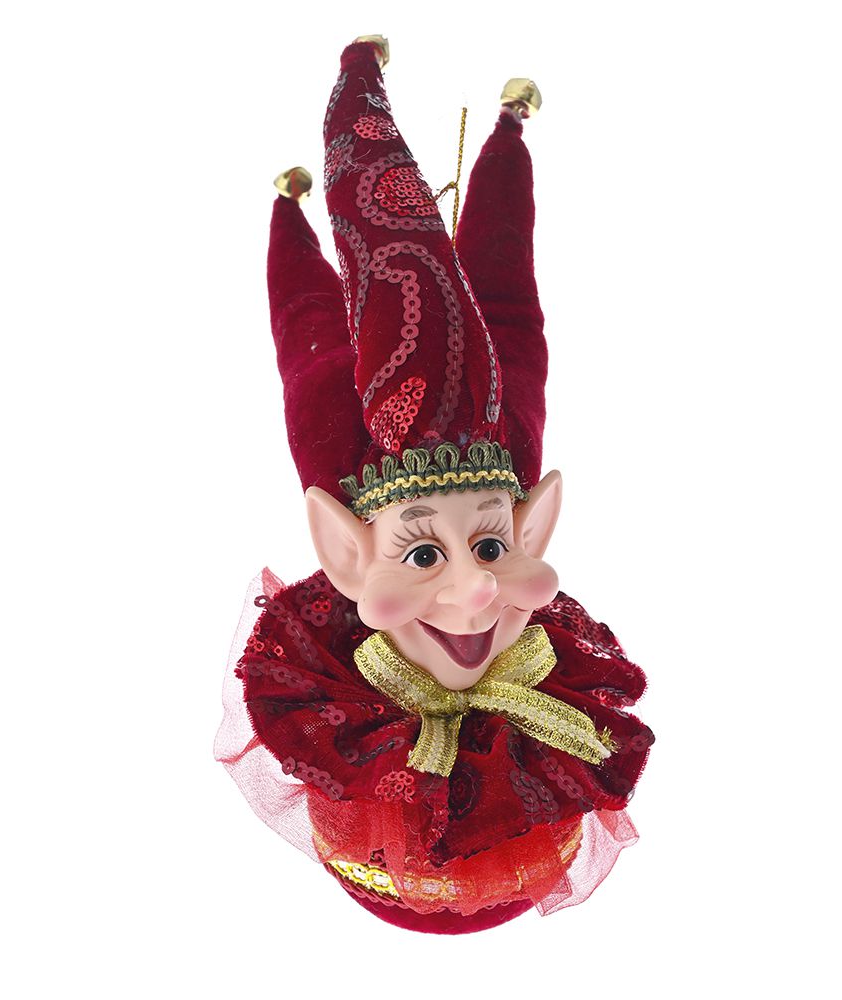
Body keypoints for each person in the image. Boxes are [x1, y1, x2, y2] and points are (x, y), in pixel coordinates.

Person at [215, 36, 653, 934]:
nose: (478, 589)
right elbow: (307, 328)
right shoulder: (331, 719)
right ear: (345, 553)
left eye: (492, 543)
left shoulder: (551, 690)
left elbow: (511, 298)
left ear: (532, 526)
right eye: (421, 552)